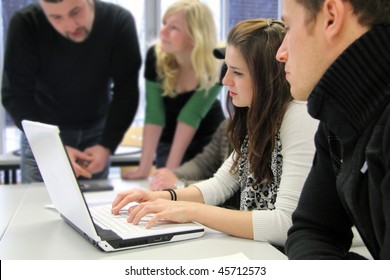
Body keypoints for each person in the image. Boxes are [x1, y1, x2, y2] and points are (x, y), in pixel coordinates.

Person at [112, 18, 319, 247]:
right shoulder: (260, 117)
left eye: (237, 73)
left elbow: (286, 225)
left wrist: (191, 210)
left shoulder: (300, 117)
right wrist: (161, 197)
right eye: (226, 68)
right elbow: (220, 185)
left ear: (269, 77)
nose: (225, 80)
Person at [276, 0, 390, 259]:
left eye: (288, 27)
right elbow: (312, 229)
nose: (280, 53)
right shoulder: (338, 117)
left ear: (330, 17)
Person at [1, 0, 141, 183]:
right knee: (36, 205)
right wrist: (52, 145)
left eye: (75, 11)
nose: (70, 25)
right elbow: (15, 93)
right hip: (43, 131)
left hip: (96, 135)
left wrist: (107, 145)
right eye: (56, 17)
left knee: (95, 207)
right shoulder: (26, 23)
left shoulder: (118, 22)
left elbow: (126, 90)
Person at [121, 0, 225, 180]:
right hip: (169, 139)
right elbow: (154, 115)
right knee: (163, 188)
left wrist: (171, 173)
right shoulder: (156, 56)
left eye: (173, 28)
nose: (163, 32)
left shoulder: (217, 62)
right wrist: (144, 169)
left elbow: (190, 116)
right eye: (164, 24)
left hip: (207, 142)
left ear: (194, 36)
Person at [149, 118, 231, 191]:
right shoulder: (229, 124)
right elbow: (204, 164)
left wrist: (180, 185)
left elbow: (228, 188)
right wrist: (175, 175)